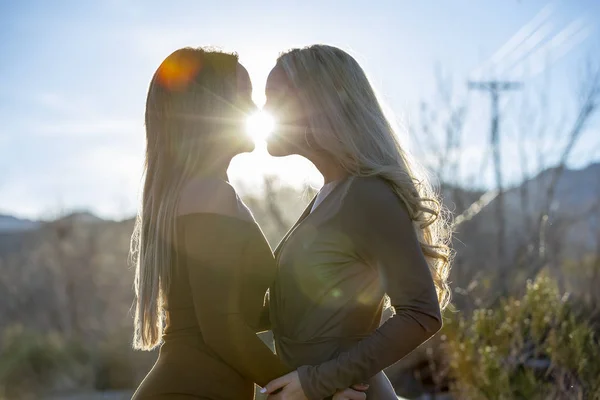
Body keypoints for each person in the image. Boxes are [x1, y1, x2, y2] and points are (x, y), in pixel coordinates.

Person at [130, 47, 365, 400]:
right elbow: (221, 329)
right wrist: (315, 388)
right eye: (244, 96)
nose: (256, 110)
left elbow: (237, 314)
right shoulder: (206, 194)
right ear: (210, 109)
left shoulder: (208, 192)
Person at [261, 45, 452, 400]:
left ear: (316, 105)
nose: (262, 110)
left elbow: (422, 313)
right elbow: (295, 317)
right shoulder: (327, 196)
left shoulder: (367, 194)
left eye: (273, 97)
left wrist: (319, 381)